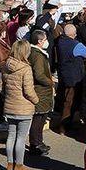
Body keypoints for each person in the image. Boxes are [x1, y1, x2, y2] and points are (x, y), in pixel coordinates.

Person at [2, 39, 39, 170]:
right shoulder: (25, 68)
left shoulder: (5, 66)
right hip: (24, 107)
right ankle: (19, 165)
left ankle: (10, 163)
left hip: (10, 105)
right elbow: (28, 91)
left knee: (11, 135)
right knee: (21, 138)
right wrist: (36, 100)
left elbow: (1, 86)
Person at [51, 23, 86, 134]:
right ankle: (64, 127)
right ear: (74, 34)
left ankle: (67, 124)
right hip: (74, 78)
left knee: (65, 101)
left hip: (64, 75)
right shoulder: (76, 45)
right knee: (70, 102)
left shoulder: (60, 42)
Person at [26, 29, 55, 157]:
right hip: (41, 91)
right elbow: (39, 74)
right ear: (39, 41)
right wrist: (50, 82)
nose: (46, 42)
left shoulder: (37, 53)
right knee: (38, 119)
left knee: (42, 118)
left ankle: (39, 141)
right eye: (44, 40)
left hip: (42, 91)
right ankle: (35, 143)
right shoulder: (37, 55)